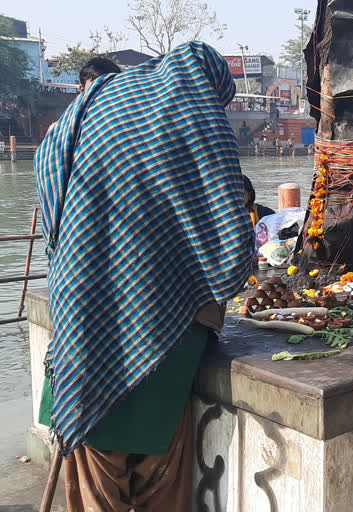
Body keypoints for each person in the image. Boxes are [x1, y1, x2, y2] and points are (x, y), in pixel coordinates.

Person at [34, 42, 253, 511]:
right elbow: (230, 229)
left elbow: (48, 165)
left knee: (95, 480)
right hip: (163, 323)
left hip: (82, 304)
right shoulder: (195, 108)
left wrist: (77, 247)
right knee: (160, 479)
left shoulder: (101, 99)